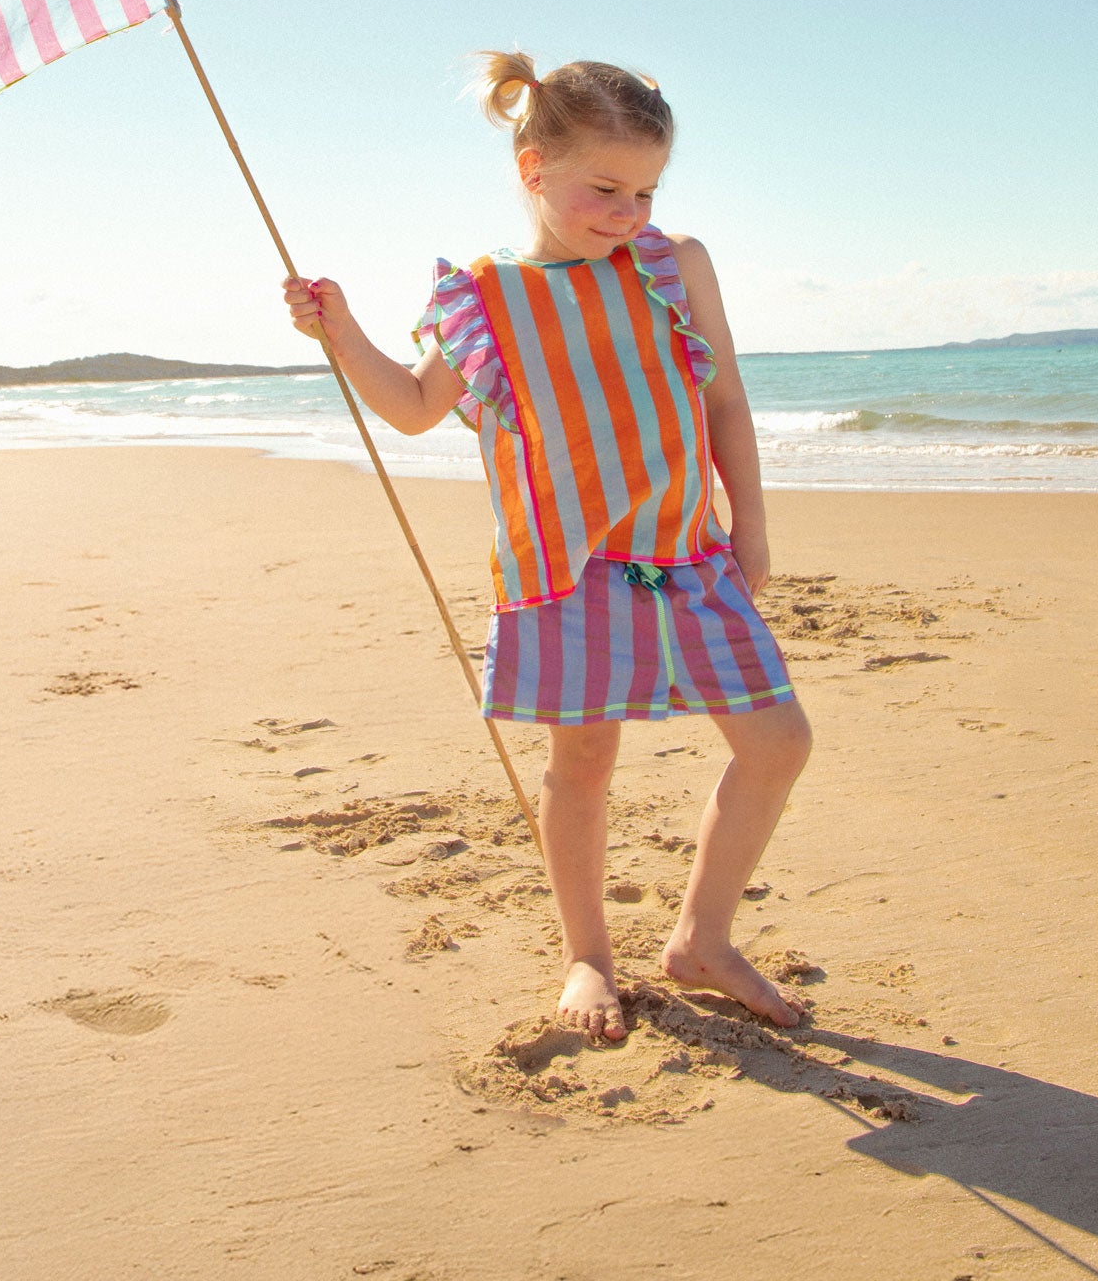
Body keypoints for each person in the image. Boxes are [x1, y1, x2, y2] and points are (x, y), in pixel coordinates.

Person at [283, 51, 812, 1042]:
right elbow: (409, 405)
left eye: (647, 188)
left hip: (687, 557)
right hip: (569, 573)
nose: (630, 210)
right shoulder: (486, 295)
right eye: (605, 188)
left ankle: (702, 936)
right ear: (533, 169)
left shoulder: (673, 264)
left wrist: (752, 524)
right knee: (584, 765)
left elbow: (724, 397)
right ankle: (587, 953)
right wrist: (340, 329)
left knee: (779, 740)